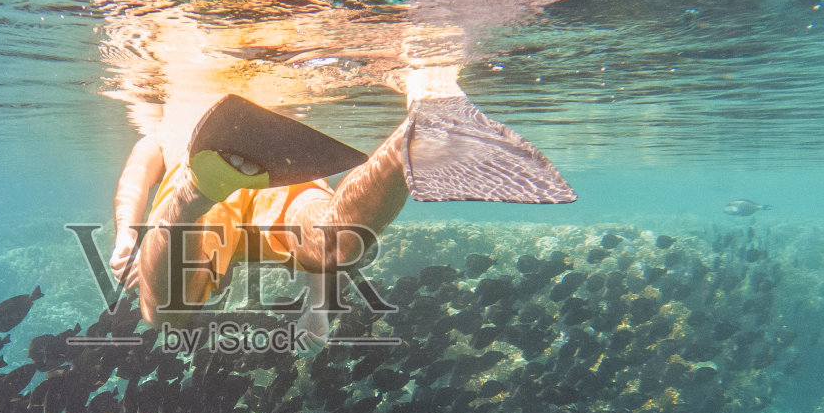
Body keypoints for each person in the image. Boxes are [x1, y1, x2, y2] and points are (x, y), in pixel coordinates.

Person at [108, 91, 573, 347]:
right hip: (277, 173)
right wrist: (318, 304)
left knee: (165, 314)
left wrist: (127, 238)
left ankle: (190, 198)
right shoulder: (160, 131)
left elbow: (136, 176)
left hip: (208, 172)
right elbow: (134, 179)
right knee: (332, 243)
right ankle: (413, 135)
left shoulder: (160, 129)